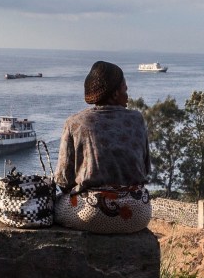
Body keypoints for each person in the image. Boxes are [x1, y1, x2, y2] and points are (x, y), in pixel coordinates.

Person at [53, 61, 153, 233]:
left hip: (93, 212)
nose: (127, 96)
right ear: (114, 94)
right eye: (125, 90)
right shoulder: (137, 119)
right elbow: (145, 169)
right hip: (138, 212)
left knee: (53, 205)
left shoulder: (74, 123)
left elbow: (63, 180)